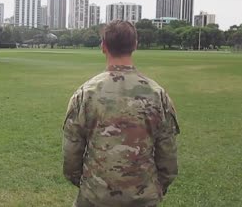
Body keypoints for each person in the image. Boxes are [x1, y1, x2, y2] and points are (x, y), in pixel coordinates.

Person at [62, 20, 180, 207]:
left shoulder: (86, 94)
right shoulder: (157, 94)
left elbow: (71, 156)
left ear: (103, 46)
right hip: (142, 198)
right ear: (135, 45)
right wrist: (153, 188)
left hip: (95, 198)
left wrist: (90, 187)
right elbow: (168, 158)